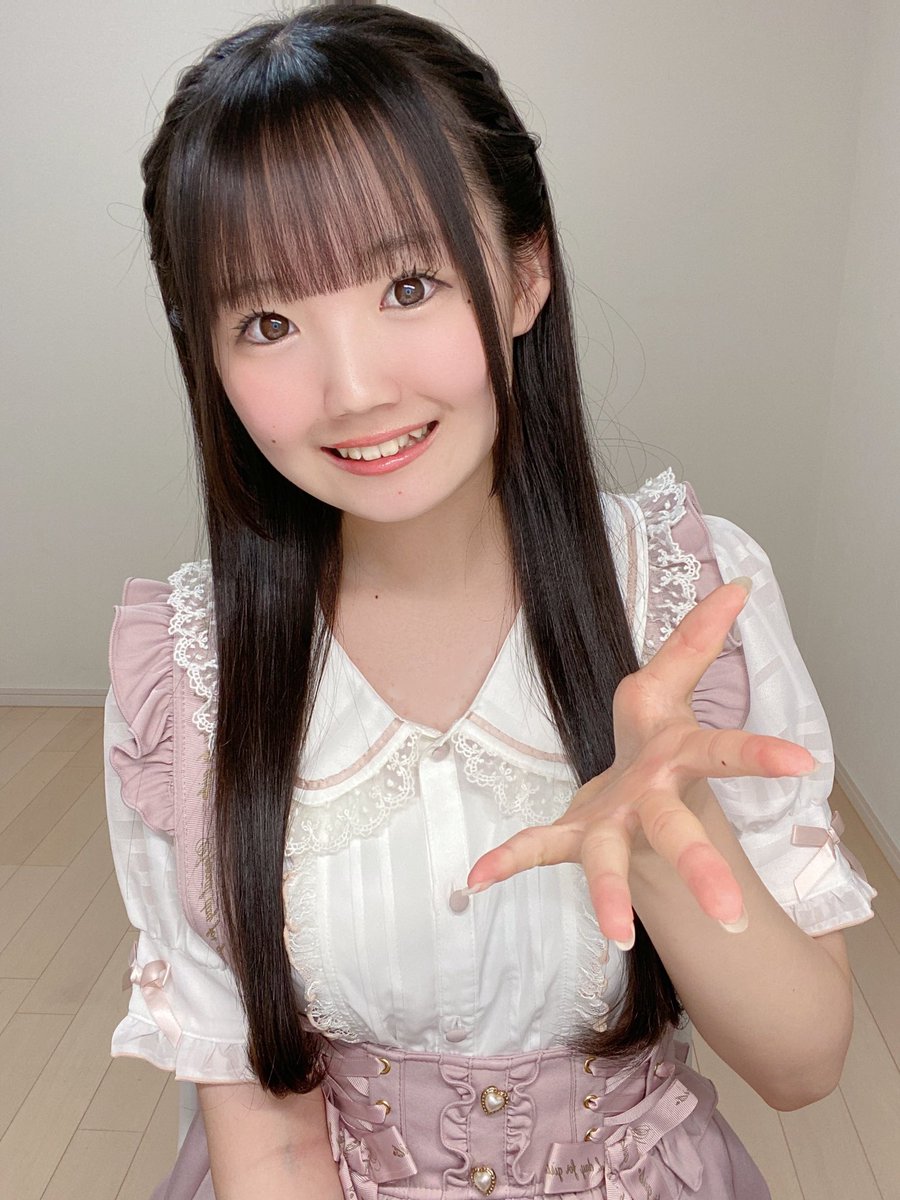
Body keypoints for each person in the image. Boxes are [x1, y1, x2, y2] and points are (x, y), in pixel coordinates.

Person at [103, 5, 877, 1198]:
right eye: (269, 322)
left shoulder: (685, 605)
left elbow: (806, 1065)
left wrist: (668, 834)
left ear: (524, 274)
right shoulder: (191, 669)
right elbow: (269, 1135)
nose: (353, 389)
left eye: (408, 285)